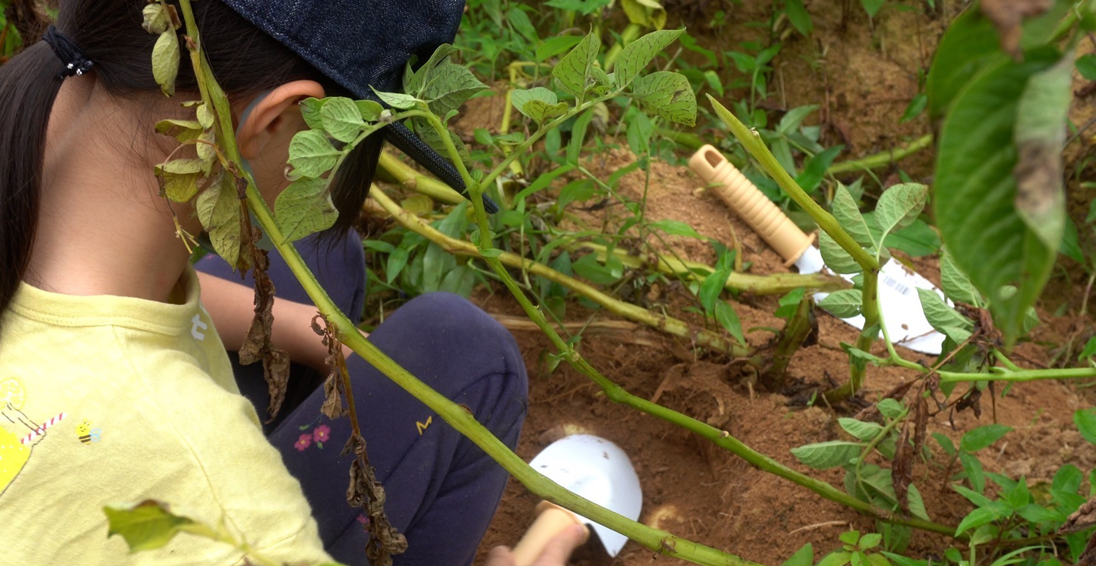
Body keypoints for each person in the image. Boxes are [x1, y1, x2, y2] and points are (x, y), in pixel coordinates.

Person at [0, 0, 583, 564]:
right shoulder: (221, 503)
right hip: (142, 473)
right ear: (277, 118)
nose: (325, 183)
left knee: (316, 259)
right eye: (334, 148)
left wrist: (298, 325)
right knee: (469, 352)